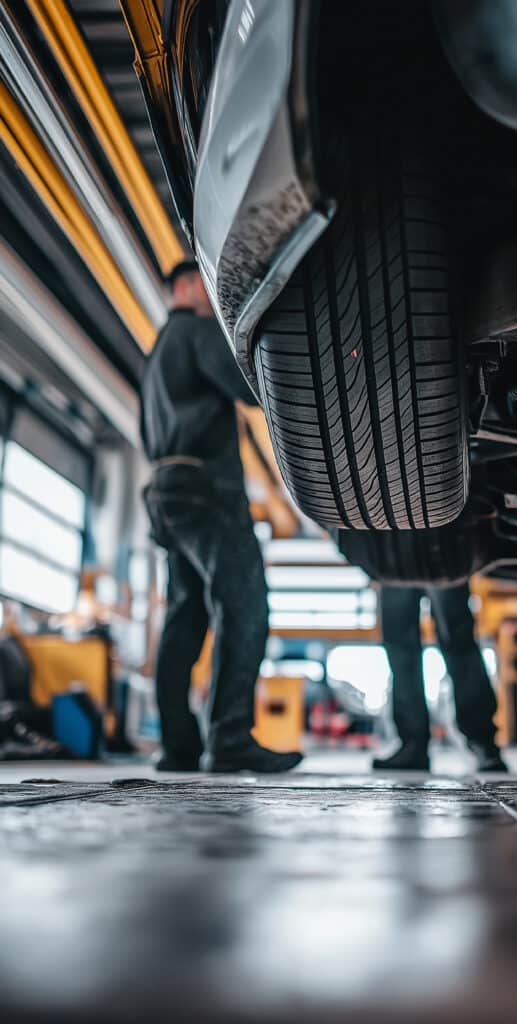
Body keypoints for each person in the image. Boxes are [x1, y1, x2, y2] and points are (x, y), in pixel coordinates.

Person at [141, 261, 301, 774]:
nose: (214, 300)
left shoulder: (158, 352)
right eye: (205, 289)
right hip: (207, 489)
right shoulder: (196, 330)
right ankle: (230, 737)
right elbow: (246, 388)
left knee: (186, 614)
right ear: (185, 287)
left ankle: (178, 745)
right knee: (245, 604)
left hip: (167, 491)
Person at [374, 582, 507, 772]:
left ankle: (482, 742)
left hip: (436, 555)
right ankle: (413, 745)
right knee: (402, 642)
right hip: (398, 559)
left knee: (456, 637)